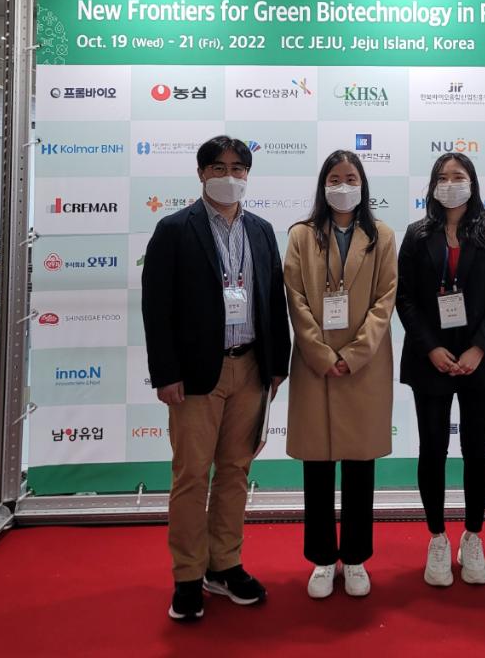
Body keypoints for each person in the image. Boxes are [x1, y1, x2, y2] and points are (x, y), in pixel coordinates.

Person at [141, 135, 291, 621]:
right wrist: (166, 374)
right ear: (202, 173)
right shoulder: (173, 229)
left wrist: (277, 365)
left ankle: (224, 565)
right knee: (190, 476)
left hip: (250, 368)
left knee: (235, 472)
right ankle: (187, 576)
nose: (230, 177)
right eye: (219, 168)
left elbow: (273, 299)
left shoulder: (262, 231)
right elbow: (156, 308)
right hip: (194, 375)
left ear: (248, 174)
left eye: (238, 168)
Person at [396, 152, 485, 587]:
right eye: (442, 177)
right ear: (432, 185)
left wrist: (479, 348)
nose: (450, 183)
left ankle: (473, 536)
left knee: (476, 450)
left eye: (458, 176)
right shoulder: (417, 235)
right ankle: (437, 538)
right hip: (431, 360)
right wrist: (431, 348)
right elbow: (404, 298)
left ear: (473, 182)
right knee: (433, 451)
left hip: (479, 360)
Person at [284, 150, 397, 599]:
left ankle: (355, 558)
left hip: (363, 368)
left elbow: (385, 300)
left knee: (359, 467)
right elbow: (295, 299)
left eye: (351, 178)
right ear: (323, 185)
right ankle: (321, 558)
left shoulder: (381, 236)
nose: (343, 185)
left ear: (363, 184)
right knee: (316, 467)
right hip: (316, 367)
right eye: (334, 178)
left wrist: (355, 353)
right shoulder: (301, 235)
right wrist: (321, 353)